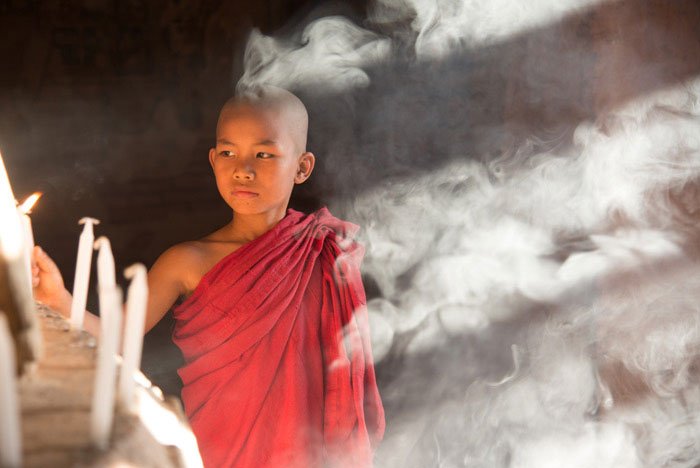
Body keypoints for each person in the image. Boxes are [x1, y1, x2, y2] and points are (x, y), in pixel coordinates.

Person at [32, 85, 385, 467]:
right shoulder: (186, 261)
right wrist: (60, 300)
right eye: (229, 153)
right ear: (214, 160)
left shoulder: (324, 251)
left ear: (302, 167)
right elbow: (118, 338)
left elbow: (345, 381)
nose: (242, 169)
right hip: (219, 449)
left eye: (264, 154)